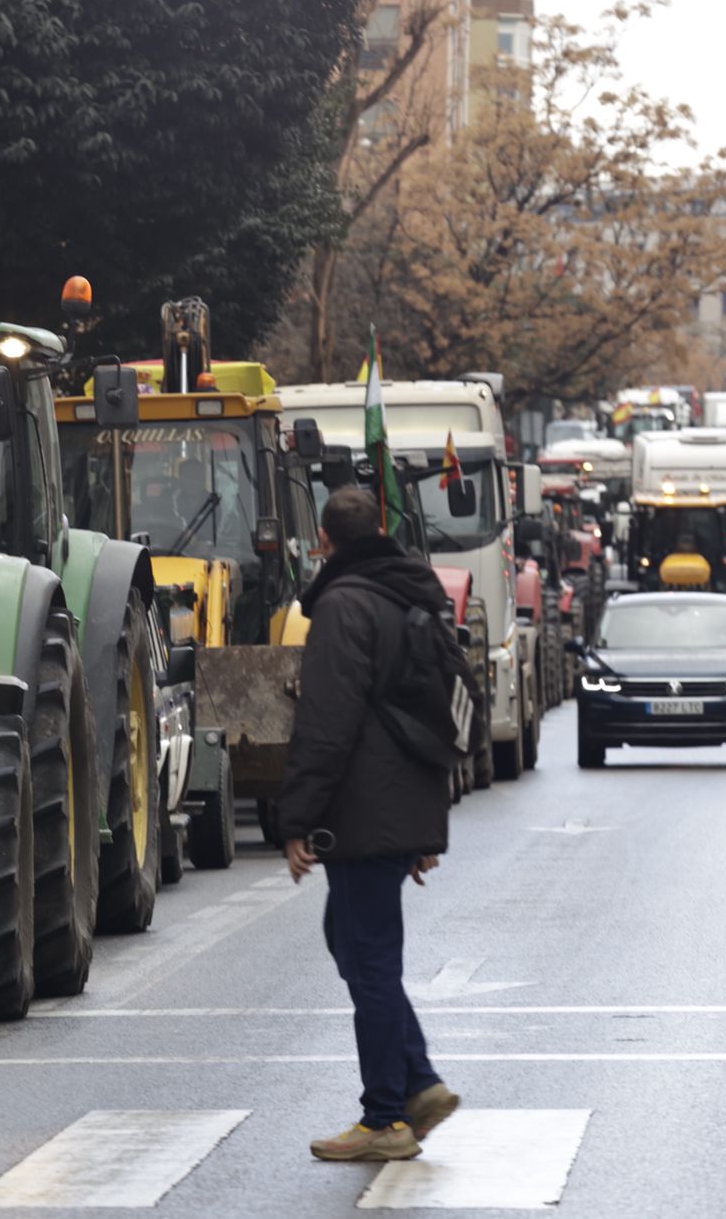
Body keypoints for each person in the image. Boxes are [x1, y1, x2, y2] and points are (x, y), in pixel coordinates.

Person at [279, 486, 459, 1163]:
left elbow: (327, 724)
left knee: (371, 962)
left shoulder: (344, 604)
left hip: (364, 808)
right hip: (400, 801)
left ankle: (386, 1117)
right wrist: (420, 826)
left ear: (325, 541)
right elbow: (433, 710)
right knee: (352, 942)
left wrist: (297, 820)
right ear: (378, 531)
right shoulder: (411, 596)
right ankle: (418, 1082)